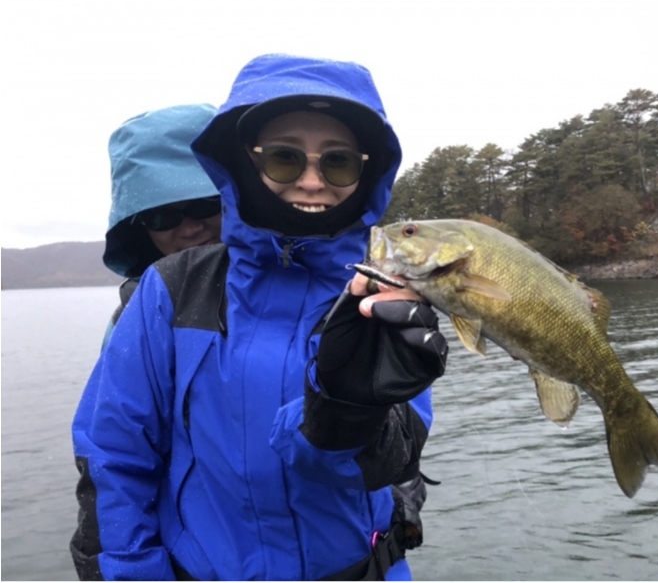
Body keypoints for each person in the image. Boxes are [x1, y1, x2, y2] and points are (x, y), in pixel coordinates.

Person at [70, 54, 448, 581]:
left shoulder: (382, 292)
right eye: (283, 159)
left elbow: (393, 464)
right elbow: (116, 457)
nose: (312, 181)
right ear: (242, 162)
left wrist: (347, 411)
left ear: (368, 172)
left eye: (338, 162)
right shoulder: (170, 291)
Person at [98, 104, 222, 346]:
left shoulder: (299, 291)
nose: (190, 229)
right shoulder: (133, 321)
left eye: (204, 205)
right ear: (141, 229)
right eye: (161, 218)